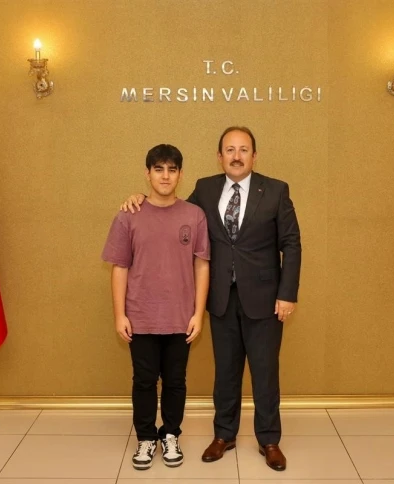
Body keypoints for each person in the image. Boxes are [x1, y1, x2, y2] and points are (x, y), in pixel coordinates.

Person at [121, 127, 301, 471]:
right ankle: (224, 435)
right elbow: (171, 208)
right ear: (219, 156)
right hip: (220, 299)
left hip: (265, 300)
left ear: (254, 155)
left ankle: (269, 440)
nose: (237, 156)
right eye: (230, 150)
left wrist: (287, 293)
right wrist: (140, 199)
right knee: (226, 372)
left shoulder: (276, 190)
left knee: (265, 372)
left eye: (243, 149)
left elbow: (291, 243)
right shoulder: (205, 189)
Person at [102, 144, 210, 470]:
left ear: (180, 175)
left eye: (172, 170)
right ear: (147, 173)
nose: (165, 176)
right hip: (141, 316)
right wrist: (119, 315)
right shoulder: (128, 215)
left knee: (176, 381)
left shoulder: (194, 215)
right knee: (144, 381)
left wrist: (198, 313)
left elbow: (202, 265)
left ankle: (171, 434)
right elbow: (120, 267)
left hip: (181, 317)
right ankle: (146, 438)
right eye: (159, 169)